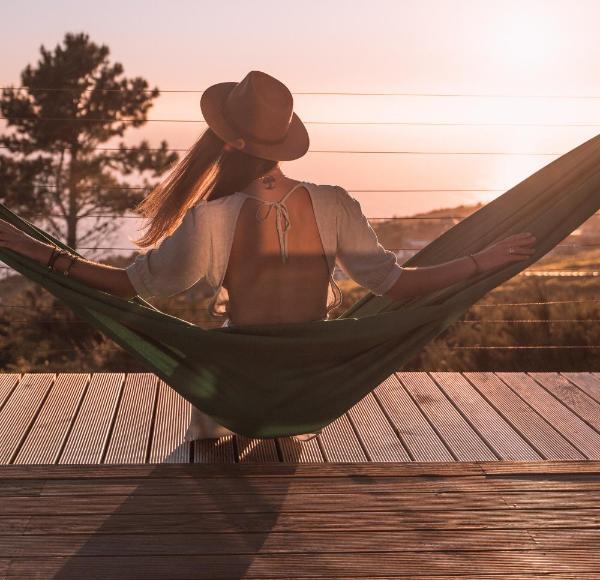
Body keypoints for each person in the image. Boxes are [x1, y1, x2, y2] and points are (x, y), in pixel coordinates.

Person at [0, 70, 537, 442]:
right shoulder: (334, 203)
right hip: (312, 380)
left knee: (200, 461)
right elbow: (394, 285)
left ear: (226, 141)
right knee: (282, 471)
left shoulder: (211, 218)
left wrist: (35, 250)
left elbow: (130, 287)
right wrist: (480, 261)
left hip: (237, 379)